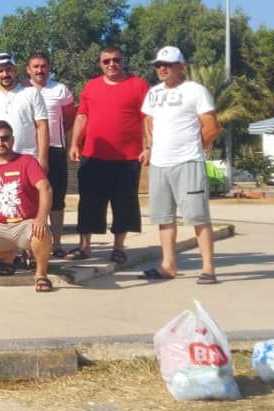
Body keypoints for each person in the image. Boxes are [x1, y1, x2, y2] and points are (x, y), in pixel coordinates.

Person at [140, 46, 221, 284]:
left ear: (181, 66)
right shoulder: (153, 93)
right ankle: (168, 266)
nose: (162, 69)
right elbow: (148, 120)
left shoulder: (195, 91)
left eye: (167, 64)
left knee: (197, 216)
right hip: (159, 164)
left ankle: (208, 269)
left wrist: (195, 149)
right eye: (158, 65)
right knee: (164, 217)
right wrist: (150, 147)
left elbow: (210, 126)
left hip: (188, 162)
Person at [67, 47, 148, 264]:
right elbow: (82, 115)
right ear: (100, 64)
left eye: (116, 60)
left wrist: (148, 146)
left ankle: (119, 248)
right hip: (94, 156)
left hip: (127, 158)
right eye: (106, 61)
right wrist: (75, 143)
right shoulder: (91, 86)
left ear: (123, 61)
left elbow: (148, 118)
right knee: (89, 203)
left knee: (125, 204)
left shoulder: (137, 84)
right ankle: (85, 247)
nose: (112, 64)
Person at [0, 120, 56, 292]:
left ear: (12, 139)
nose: (0, 143)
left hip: (24, 223)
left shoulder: (27, 162)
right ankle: (6, 255)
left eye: (5, 138)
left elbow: (46, 188)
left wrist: (42, 217)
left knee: (42, 233)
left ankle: (41, 274)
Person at [26, 52, 76, 257]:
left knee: (56, 198)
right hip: (29, 151)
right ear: (28, 69)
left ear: (49, 67)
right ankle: (30, 244)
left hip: (55, 149)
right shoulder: (22, 91)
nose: (39, 70)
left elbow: (70, 118)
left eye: (43, 66)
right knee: (29, 198)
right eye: (35, 66)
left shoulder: (60, 90)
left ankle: (56, 244)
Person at [0, 53, 48, 176]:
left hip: (28, 158)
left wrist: (43, 159)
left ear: (15, 70)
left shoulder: (32, 93)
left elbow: (42, 126)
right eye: (0, 71)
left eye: (8, 69)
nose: (5, 74)